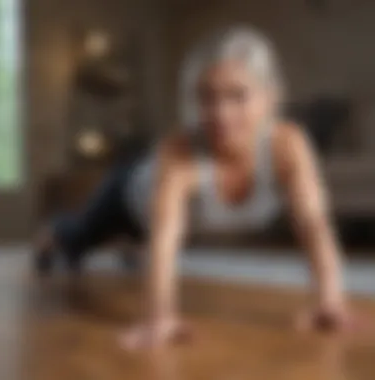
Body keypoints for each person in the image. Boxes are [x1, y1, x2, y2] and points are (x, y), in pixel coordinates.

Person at [35, 26, 356, 349]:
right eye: (207, 97)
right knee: (79, 238)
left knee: (130, 241)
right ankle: (52, 235)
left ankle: (126, 245)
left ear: (270, 98)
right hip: (128, 194)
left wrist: (330, 301)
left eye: (237, 95)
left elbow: (314, 224)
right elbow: (164, 238)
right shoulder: (180, 150)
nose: (220, 113)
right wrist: (160, 316)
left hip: (148, 222)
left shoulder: (288, 145)